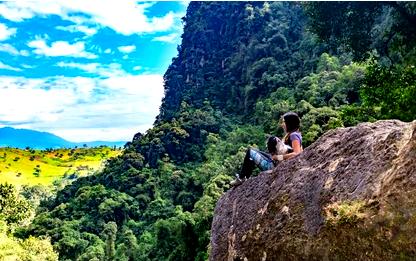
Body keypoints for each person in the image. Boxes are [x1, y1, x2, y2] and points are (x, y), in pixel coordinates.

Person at [231, 111, 303, 186]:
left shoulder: (293, 135)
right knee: (255, 151)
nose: (282, 125)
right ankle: (243, 177)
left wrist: (278, 157)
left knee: (250, 152)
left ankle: (242, 178)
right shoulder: (293, 135)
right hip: (277, 162)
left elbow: (297, 153)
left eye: (284, 122)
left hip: (274, 166)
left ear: (289, 123)